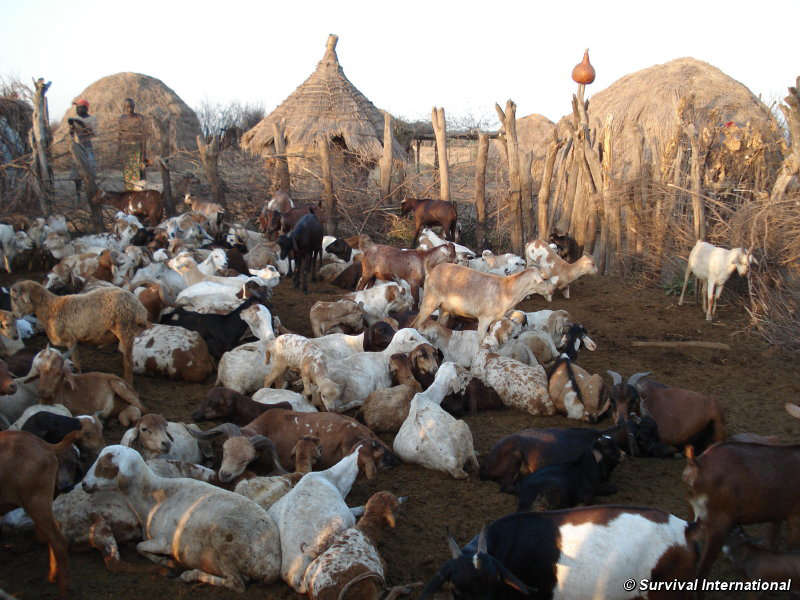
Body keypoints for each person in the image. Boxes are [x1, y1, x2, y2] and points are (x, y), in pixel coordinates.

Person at [67, 98, 97, 200]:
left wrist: (81, 124)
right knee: (77, 172)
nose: (77, 109)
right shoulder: (75, 118)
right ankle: (78, 194)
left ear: (86, 108)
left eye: (79, 107)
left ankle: (91, 193)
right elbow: (71, 134)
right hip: (77, 146)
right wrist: (72, 127)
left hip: (87, 146)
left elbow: (92, 133)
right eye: (77, 107)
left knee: (90, 171)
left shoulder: (92, 119)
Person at [117, 97, 147, 190]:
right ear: (124, 107)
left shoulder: (140, 118)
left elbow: (144, 136)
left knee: (138, 169)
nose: (129, 108)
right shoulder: (122, 118)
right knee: (127, 170)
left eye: (131, 106)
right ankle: (129, 191)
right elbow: (120, 135)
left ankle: (137, 192)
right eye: (127, 106)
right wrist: (119, 150)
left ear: (134, 106)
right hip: (126, 147)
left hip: (137, 147)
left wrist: (144, 153)